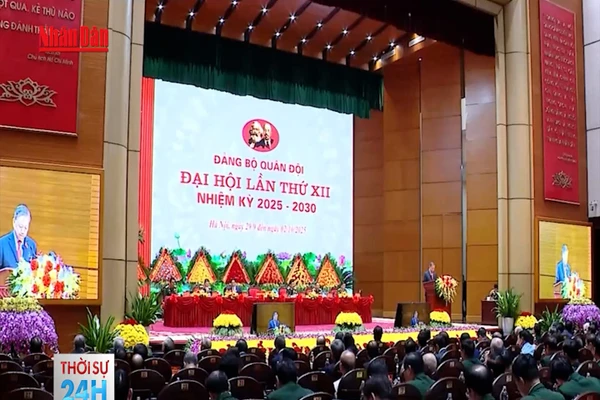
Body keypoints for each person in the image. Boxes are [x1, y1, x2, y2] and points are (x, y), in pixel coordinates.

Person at [0, 204, 38, 270]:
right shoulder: (2, 244)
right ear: (14, 222)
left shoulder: (32, 245)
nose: (22, 231)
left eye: (25, 228)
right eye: (20, 227)